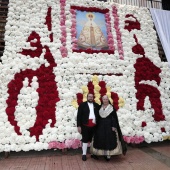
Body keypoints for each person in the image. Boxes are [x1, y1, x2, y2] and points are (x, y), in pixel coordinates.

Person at [90, 95, 127, 161]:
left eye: (106, 99)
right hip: (100, 126)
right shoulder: (100, 107)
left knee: (109, 139)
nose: (105, 100)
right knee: (101, 138)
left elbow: (114, 118)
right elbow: (97, 116)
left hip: (109, 126)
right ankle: (101, 153)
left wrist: (113, 126)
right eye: (104, 99)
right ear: (102, 100)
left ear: (108, 100)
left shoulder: (111, 108)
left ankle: (108, 155)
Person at [77, 93, 99, 161]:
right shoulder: (82, 105)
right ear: (87, 97)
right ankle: (84, 154)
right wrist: (79, 126)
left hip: (94, 125)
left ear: (93, 98)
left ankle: (93, 154)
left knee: (93, 140)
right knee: (85, 139)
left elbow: (99, 115)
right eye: (89, 97)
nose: (90, 98)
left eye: (91, 97)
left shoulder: (96, 105)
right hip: (85, 125)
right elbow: (79, 116)